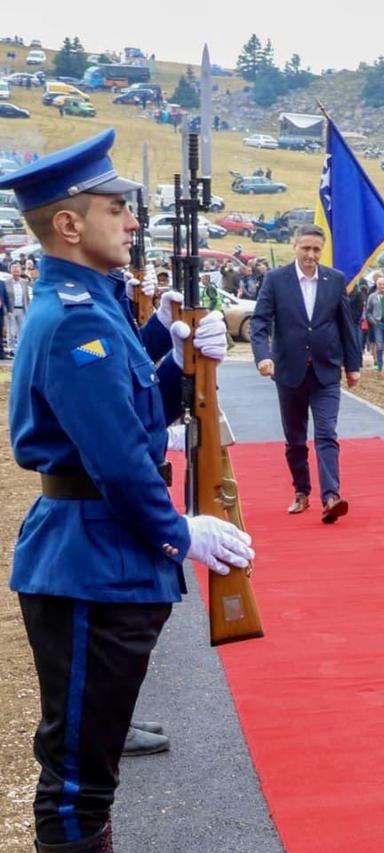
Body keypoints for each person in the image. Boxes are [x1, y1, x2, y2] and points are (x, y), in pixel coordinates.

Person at [0, 128, 251, 853]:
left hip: (99, 552)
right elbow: (114, 457)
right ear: (69, 224)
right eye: (116, 208)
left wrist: (174, 360)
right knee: (78, 780)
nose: (133, 221)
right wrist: (179, 532)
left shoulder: (94, 302)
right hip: (91, 560)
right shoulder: (77, 318)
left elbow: (130, 409)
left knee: (94, 761)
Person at [250, 224, 362, 523]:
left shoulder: (334, 279)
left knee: (326, 433)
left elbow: (346, 325)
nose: (311, 255)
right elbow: (259, 322)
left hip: (326, 371)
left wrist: (353, 366)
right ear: (294, 246)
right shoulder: (276, 279)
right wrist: (263, 356)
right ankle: (301, 491)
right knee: (296, 438)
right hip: (289, 372)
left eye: (316, 249)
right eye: (306, 248)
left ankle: (331, 497)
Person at [364, 274, 384, 373]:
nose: (382, 286)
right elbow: (368, 312)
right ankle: (379, 366)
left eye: (383, 284)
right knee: (379, 346)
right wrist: (373, 321)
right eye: (379, 284)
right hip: (378, 324)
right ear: (376, 285)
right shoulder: (372, 297)